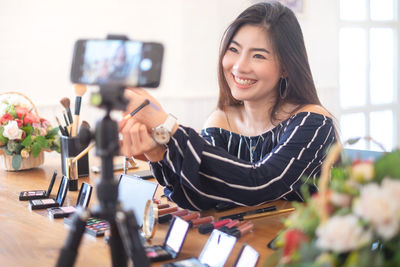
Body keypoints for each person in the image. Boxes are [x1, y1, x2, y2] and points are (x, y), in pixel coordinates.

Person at [119, 1, 337, 210]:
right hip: (251, 242)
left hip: (301, 246)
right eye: (233, 50)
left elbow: (259, 184)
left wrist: (166, 125)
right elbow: (201, 196)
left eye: (258, 55)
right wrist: (156, 151)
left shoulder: (313, 122)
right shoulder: (221, 120)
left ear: (285, 68)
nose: (240, 66)